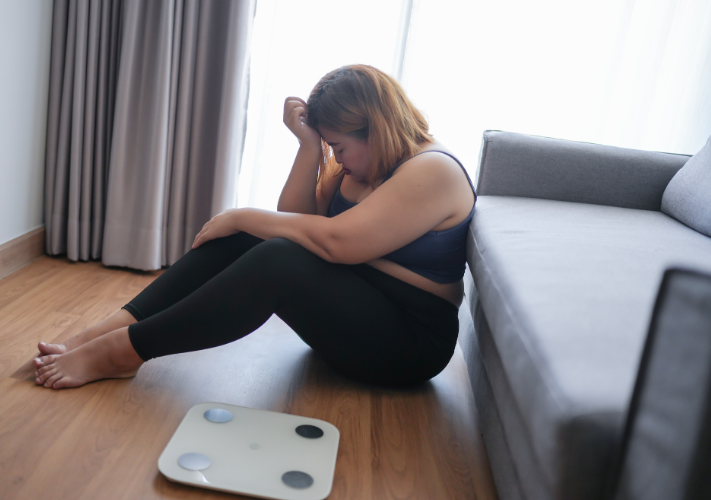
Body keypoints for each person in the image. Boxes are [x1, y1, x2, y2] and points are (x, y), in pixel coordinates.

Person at [33, 64, 477, 390]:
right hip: (358, 311)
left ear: (374, 129)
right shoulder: (364, 164)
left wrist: (241, 214)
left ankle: (123, 351)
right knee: (257, 238)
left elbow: (337, 243)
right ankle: (112, 327)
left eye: (339, 147)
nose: (338, 159)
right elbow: (298, 219)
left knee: (274, 251)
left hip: (407, 342)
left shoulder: (432, 170)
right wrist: (309, 147)